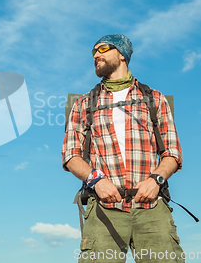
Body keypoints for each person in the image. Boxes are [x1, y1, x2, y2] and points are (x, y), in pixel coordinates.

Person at [62, 34, 184, 263]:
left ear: (122, 54)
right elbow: (71, 155)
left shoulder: (154, 99)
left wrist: (155, 180)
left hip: (151, 206)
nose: (96, 55)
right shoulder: (84, 103)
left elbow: (172, 153)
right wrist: (96, 180)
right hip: (104, 209)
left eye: (103, 49)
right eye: (93, 52)